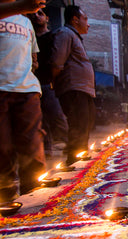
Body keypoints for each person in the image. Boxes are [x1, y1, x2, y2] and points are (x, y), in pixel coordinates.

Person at [0, 2, 46, 202]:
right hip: (1, 89)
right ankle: (6, 199)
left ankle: (35, 197)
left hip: (26, 89)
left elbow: (33, 57)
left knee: (32, 146)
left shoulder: (26, 22)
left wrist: (29, 68)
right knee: (3, 147)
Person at [51, 5, 95, 165]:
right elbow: (57, 62)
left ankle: (79, 159)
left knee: (86, 123)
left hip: (83, 90)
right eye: (85, 19)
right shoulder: (65, 33)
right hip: (74, 88)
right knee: (78, 126)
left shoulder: (74, 36)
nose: (88, 24)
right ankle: (73, 163)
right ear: (75, 19)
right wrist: (54, 83)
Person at [27, 9, 68, 159]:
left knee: (56, 114)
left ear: (47, 18)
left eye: (40, 14)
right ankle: (46, 149)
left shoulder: (53, 37)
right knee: (40, 118)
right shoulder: (30, 37)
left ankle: (67, 143)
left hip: (48, 82)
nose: (36, 16)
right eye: (34, 14)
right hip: (31, 82)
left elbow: (58, 60)